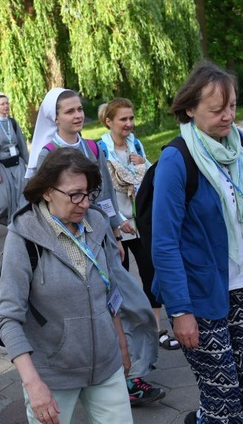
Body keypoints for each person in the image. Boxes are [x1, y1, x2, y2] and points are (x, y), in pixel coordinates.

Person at [151, 61, 243, 424]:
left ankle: (204, 418)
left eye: (231, 106)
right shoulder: (176, 160)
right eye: (217, 110)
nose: (229, 116)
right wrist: (180, 312)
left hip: (242, 284)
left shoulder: (235, 143)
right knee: (223, 397)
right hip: (199, 294)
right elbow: (164, 243)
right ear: (190, 109)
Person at [27, 88, 162, 406]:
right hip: (68, 246)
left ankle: (132, 370)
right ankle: (117, 380)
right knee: (92, 313)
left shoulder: (91, 147)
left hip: (100, 240)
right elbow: (39, 204)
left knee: (135, 305)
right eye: (69, 111)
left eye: (79, 110)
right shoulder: (48, 152)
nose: (76, 116)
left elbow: (103, 195)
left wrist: (114, 231)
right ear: (55, 117)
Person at [0, 147, 134, 424]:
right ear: (48, 192)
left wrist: (120, 344)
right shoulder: (24, 235)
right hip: (52, 375)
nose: (84, 203)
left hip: (106, 365)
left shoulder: (96, 221)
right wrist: (33, 384)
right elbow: (8, 319)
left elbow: (110, 290)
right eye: (74, 195)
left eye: (88, 192)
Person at [97, 99, 179, 352]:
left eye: (131, 118)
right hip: (116, 227)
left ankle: (155, 329)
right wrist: (119, 222)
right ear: (109, 122)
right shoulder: (100, 150)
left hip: (141, 222)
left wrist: (145, 165)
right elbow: (101, 192)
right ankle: (125, 333)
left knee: (151, 272)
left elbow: (149, 181)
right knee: (118, 280)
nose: (129, 124)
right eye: (123, 119)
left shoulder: (137, 145)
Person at [0, 93, 29, 236]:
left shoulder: (13, 123)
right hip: (1, 167)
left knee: (21, 197)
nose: (6, 106)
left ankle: (18, 227)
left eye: (7, 103)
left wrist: (29, 164)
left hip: (17, 164)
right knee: (3, 201)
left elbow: (21, 143)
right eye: (2, 104)